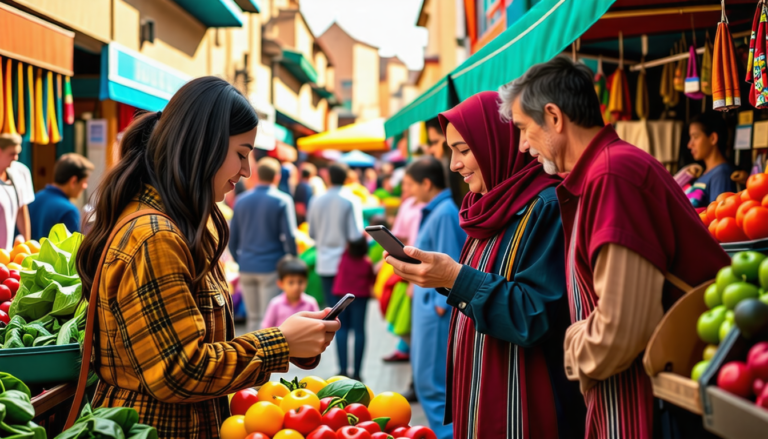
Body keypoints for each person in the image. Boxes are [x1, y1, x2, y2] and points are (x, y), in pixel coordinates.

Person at [76, 77, 339, 437]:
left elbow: (197, 349)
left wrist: (293, 340)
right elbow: (178, 370)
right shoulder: (156, 237)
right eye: (242, 154)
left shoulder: (178, 225)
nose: (246, 171)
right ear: (205, 146)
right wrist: (281, 342)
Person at [501, 56, 730, 437]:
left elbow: (620, 332)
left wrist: (571, 344)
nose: (523, 146)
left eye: (524, 129)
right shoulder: (602, 172)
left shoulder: (613, 175)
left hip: (651, 405)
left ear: (555, 118)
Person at [387, 92, 585, 438]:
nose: (454, 165)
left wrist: (453, 277)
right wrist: (444, 278)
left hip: (529, 411)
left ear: (498, 143)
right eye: (452, 151)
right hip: (483, 401)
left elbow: (535, 315)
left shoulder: (547, 207)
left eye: (463, 150)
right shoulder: (486, 209)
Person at [395, 157, 466, 439]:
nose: (408, 191)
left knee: (433, 383)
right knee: (430, 381)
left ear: (426, 183)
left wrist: (439, 306)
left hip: (436, 309)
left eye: (411, 185)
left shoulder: (444, 212)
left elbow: (450, 260)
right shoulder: (437, 210)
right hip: (430, 306)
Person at [230, 157, 298, 332]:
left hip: (246, 265)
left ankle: (254, 356)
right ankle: (268, 357)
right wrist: (292, 258)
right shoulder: (282, 200)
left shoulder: (241, 200)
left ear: (257, 175)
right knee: (269, 318)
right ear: (276, 176)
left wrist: (240, 260)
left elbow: (232, 238)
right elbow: (289, 235)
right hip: (271, 265)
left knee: (253, 318)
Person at [307, 162, 364, 308]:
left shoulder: (316, 200)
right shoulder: (351, 200)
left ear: (328, 177)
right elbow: (355, 235)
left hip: (324, 262)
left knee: (331, 310)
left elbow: (311, 233)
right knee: (347, 312)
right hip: (345, 262)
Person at [332, 237, 375, 381]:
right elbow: (372, 279)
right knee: (359, 331)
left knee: (341, 330)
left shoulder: (344, 257)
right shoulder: (367, 263)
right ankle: (357, 373)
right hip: (361, 297)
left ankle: (343, 370)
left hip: (341, 294)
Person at [29, 153, 94, 239]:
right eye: (85, 182)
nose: (85, 186)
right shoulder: (69, 211)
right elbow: (73, 250)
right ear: (73, 181)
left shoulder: (33, 199)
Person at [684, 112, 736, 209]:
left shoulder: (721, 174)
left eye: (695, 137)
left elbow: (718, 215)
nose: (690, 144)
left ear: (713, 138)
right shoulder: (706, 173)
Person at [262, 256, 319, 328]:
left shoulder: (311, 303)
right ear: (281, 284)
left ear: (306, 281)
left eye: (300, 282)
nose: (296, 287)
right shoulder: (275, 304)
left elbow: (317, 325)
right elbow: (266, 327)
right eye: (291, 282)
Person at [0, 134, 34, 248]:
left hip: (6, 254)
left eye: (17, 153)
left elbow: (22, 209)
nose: (15, 158)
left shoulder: (19, 172)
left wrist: (27, 245)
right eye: (12, 154)